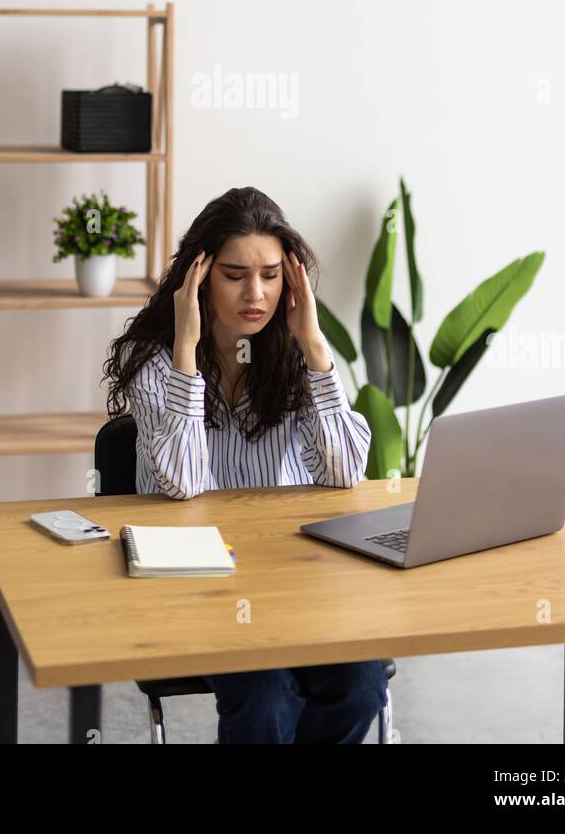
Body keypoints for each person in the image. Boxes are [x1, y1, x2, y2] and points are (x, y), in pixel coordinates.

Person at [103, 185, 387, 743]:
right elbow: (182, 484)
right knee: (264, 698)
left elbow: (344, 472)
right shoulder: (155, 361)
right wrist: (187, 354)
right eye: (234, 275)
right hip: (194, 586)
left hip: (293, 580)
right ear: (200, 276)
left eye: (271, 275)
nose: (254, 293)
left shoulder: (298, 354)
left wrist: (315, 351)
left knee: (360, 685)